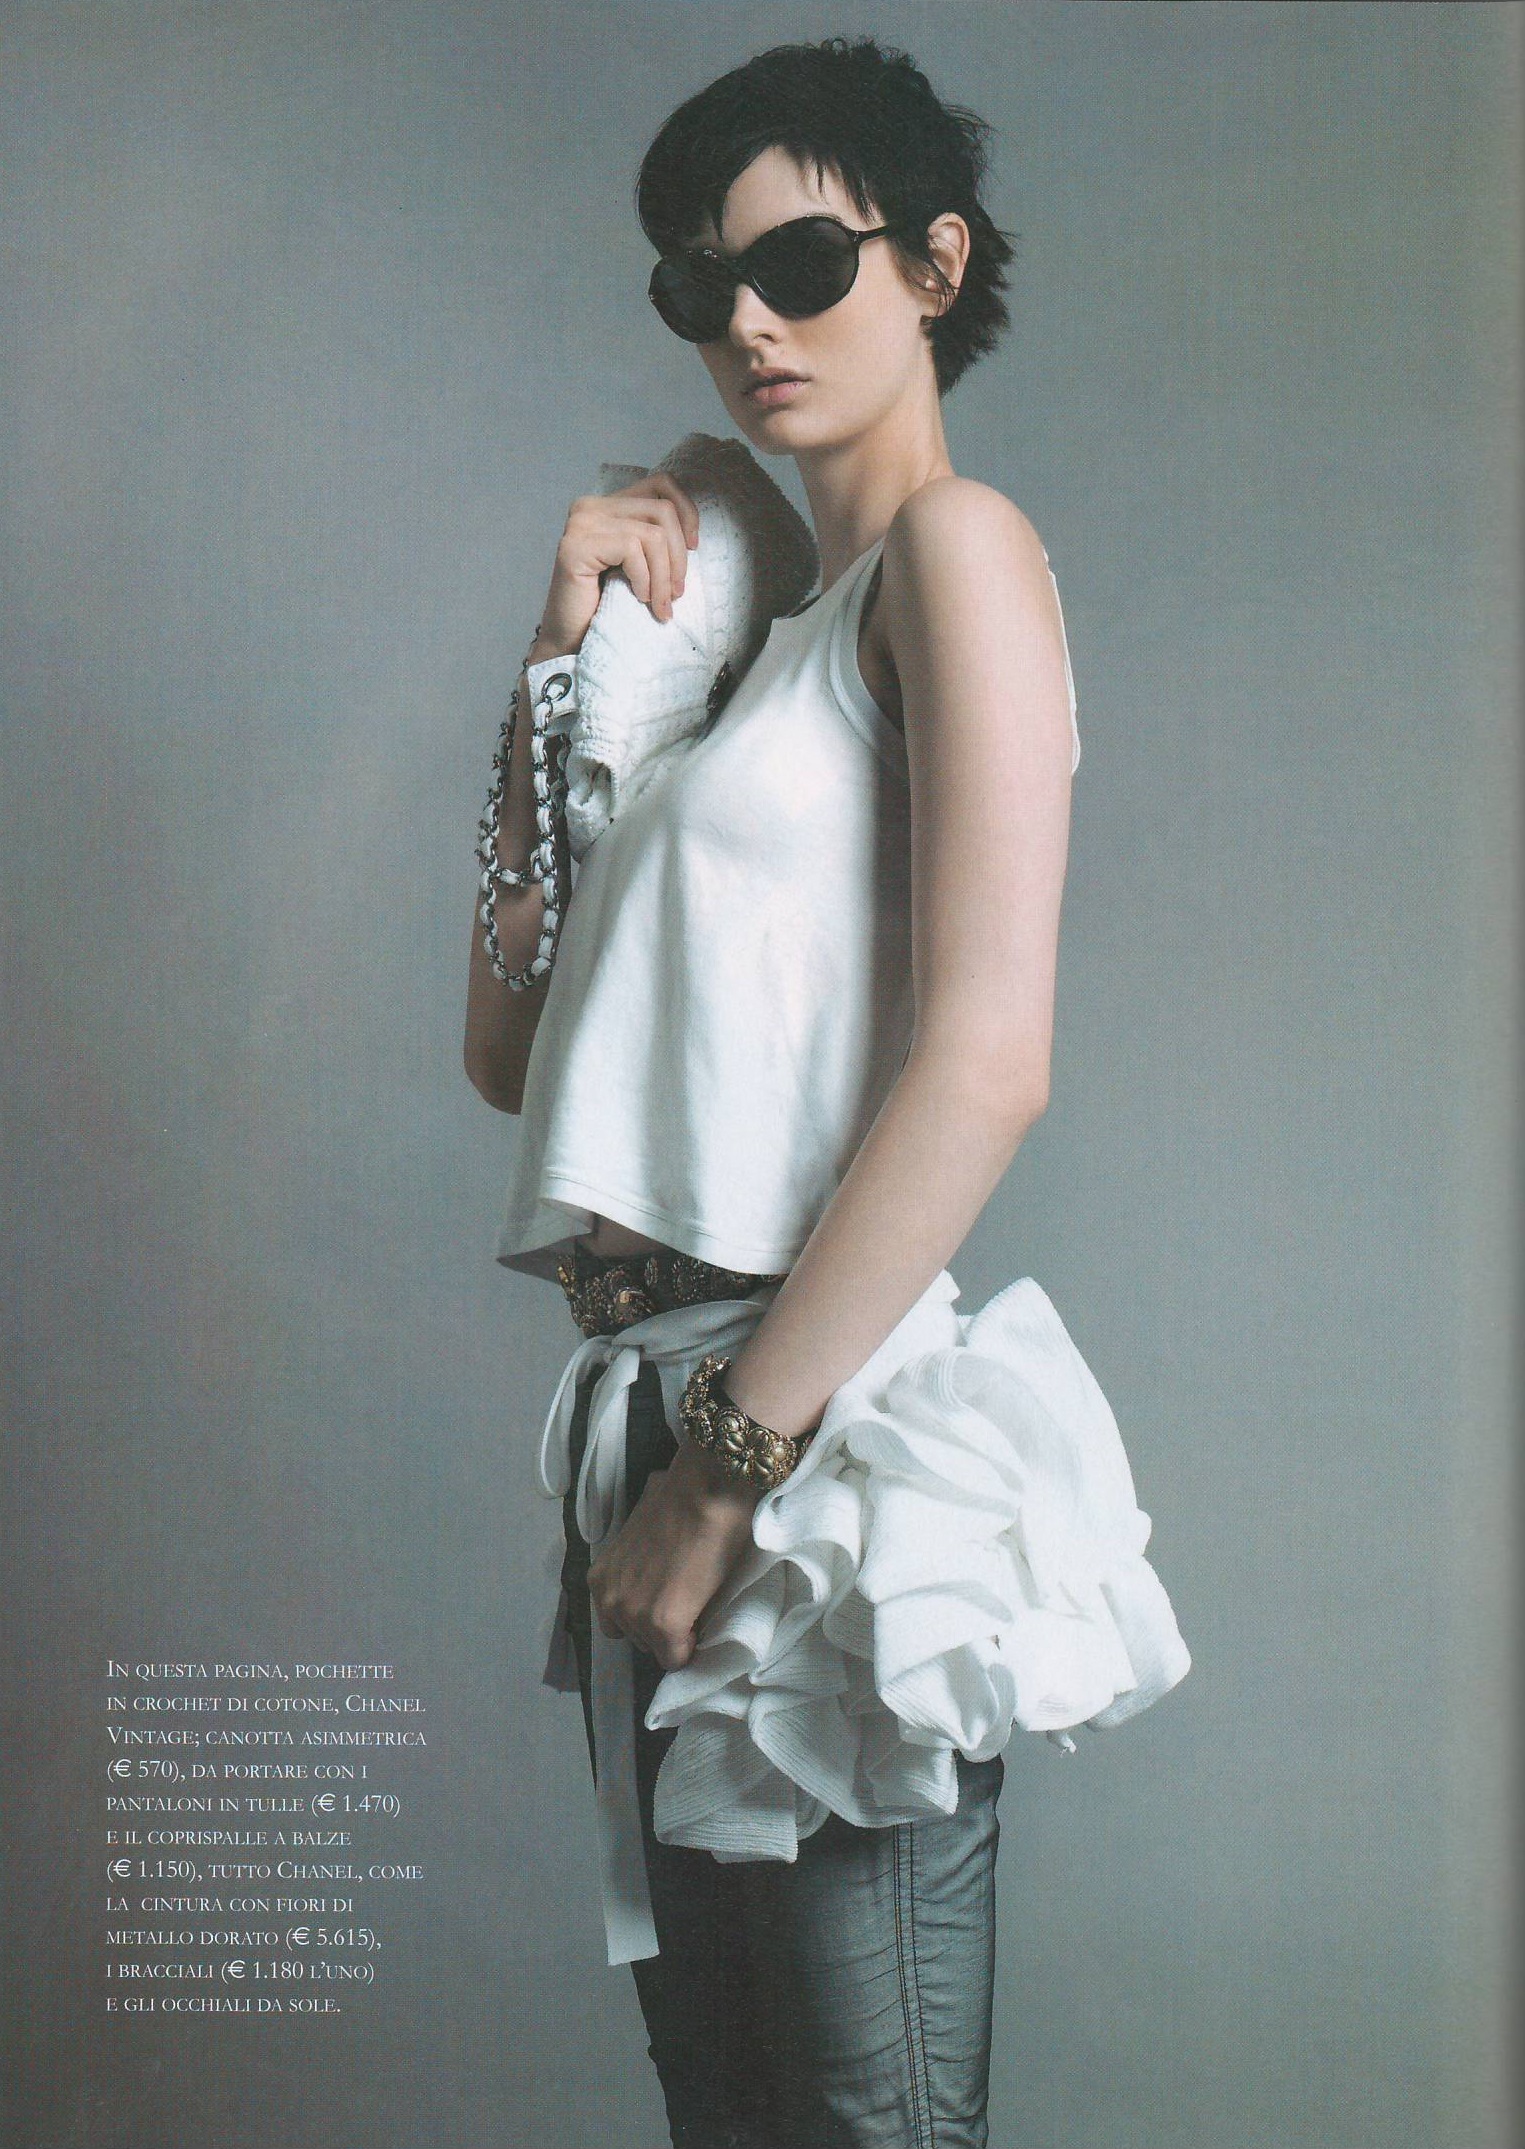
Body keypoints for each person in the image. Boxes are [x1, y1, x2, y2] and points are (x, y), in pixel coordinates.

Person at [465, 35, 1080, 2149]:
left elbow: (986, 1056)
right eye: (695, 286)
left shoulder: (955, 554)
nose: (745, 321)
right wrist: (559, 660)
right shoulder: (744, 663)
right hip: (653, 1425)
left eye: (799, 263)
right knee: (728, 2119)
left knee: (857, 2124)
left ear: (932, 265)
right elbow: (508, 1053)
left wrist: (726, 1474)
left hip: (800, 1445)